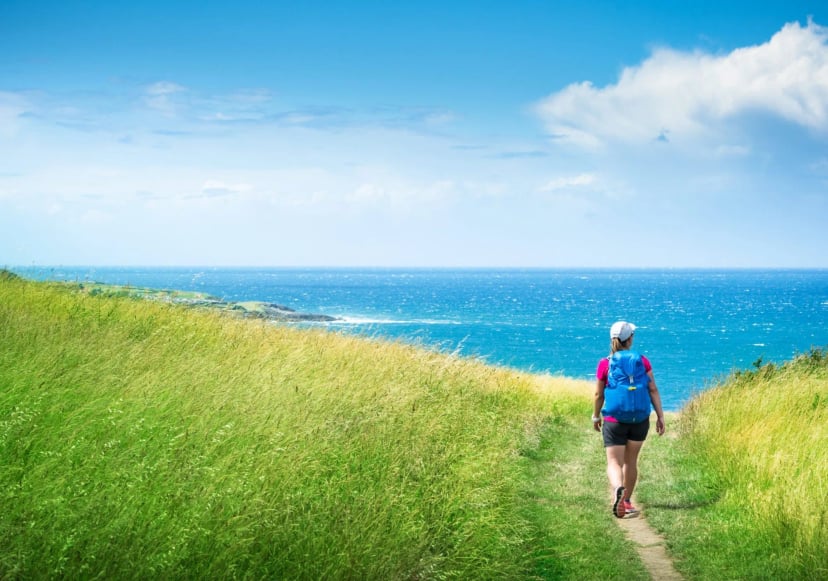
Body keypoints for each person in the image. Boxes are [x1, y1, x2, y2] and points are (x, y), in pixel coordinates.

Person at [592, 321, 665, 518]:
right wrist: (660, 416)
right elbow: (653, 389)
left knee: (614, 461)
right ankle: (626, 501)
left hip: (614, 420)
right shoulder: (642, 361)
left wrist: (595, 416)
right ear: (629, 339)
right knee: (631, 460)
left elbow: (599, 395)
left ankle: (618, 488)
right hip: (639, 419)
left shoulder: (605, 364)